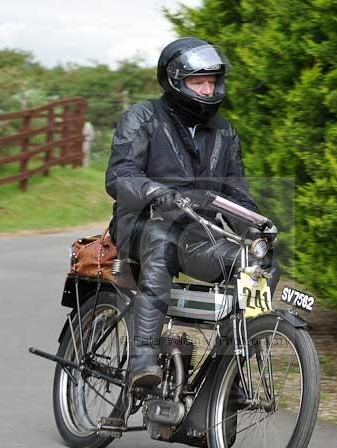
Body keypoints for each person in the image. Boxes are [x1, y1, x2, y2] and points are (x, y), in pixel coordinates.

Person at [105, 37, 278, 392]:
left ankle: (228, 372)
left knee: (259, 264)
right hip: (142, 223)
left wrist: (259, 225)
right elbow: (120, 175)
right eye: (198, 81)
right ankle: (143, 358)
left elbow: (235, 189)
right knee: (161, 240)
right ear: (174, 81)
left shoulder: (225, 131)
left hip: (200, 233)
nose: (207, 89)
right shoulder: (141, 118)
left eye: (212, 81)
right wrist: (155, 191)